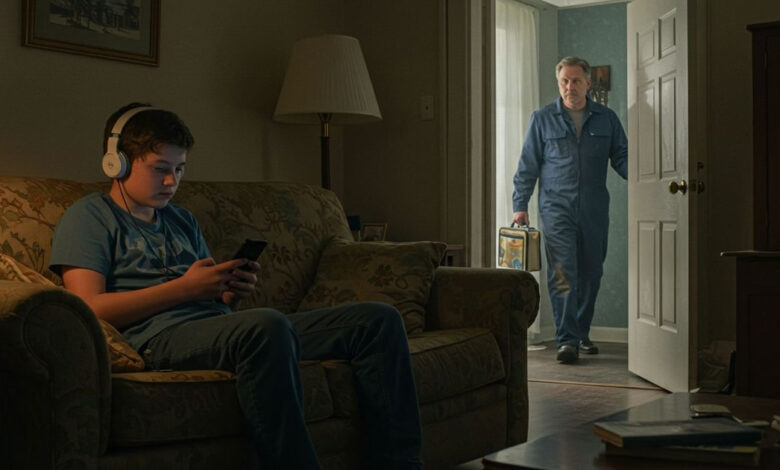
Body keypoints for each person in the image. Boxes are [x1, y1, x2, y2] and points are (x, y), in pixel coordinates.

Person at [49, 103, 423, 469]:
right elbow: (88, 307)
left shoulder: (180, 219)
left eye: (179, 169)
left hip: (214, 326)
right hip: (157, 338)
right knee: (266, 325)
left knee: (377, 321)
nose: (172, 182)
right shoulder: (90, 216)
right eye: (160, 169)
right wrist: (185, 289)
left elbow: (213, 300)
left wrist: (227, 290)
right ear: (117, 163)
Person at [512, 57, 627, 364]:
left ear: (588, 84)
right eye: (564, 81)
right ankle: (567, 340)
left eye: (576, 81)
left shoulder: (607, 119)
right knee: (563, 272)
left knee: (592, 273)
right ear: (558, 83)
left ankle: (580, 332)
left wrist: (649, 181)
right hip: (556, 208)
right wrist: (519, 205)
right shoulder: (542, 119)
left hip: (594, 209)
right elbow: (528, 165)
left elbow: (623, 158)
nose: (569, 87)